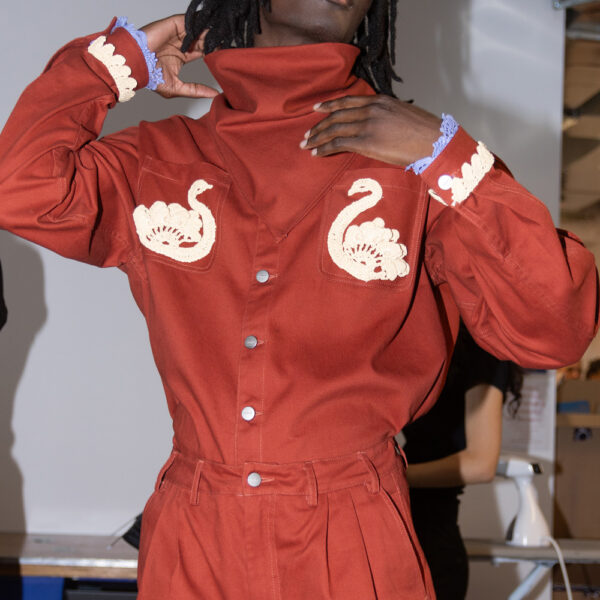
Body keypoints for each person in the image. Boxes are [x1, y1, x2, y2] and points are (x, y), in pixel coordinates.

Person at [0, 1, 597, 598]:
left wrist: (452, 159)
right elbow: (20, 187)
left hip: (354, 533)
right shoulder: (159, 160)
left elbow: (556, 330)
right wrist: (120, 59)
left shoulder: (422, 168)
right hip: (196, 535)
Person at [403, 323, 522, 599]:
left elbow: (481, 464)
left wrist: (395, 475)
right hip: (406, 529)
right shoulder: (434, 344)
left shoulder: (484, 352)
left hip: (433, 541)